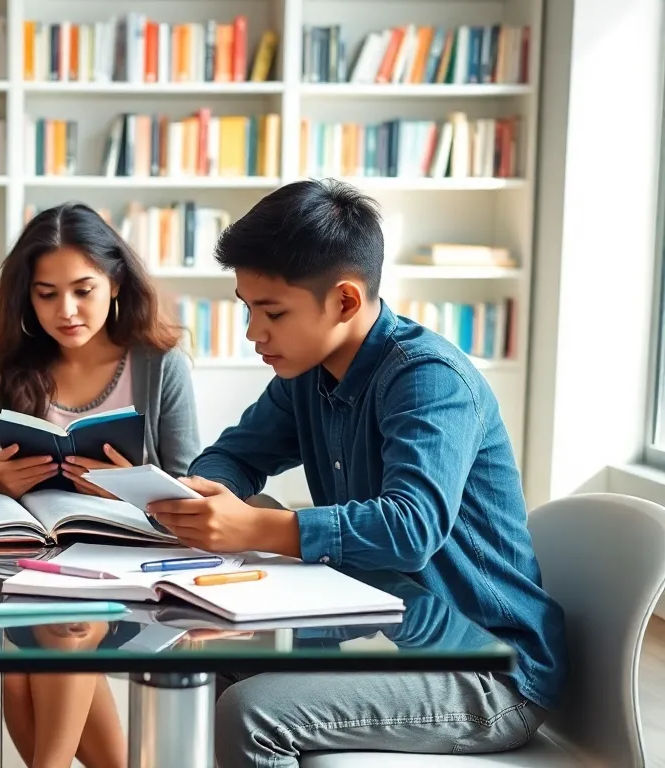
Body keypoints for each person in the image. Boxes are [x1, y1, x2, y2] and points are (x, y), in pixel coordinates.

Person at [146, 179, 568, 766]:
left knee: (250, 711)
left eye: (273, 312)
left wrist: (255, 527)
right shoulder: (308, 376)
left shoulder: (429, 379)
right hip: (389, 633)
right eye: (247, 308)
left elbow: (410, 528)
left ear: (345, 301)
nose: (252, 332)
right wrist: (206, 492)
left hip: (486, 672)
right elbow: (234, 456)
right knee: (204, 654)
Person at [0, 202, 202, 768]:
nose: (67, 310)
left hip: (124, 564)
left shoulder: (158, 364)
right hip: (25, 559)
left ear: (115, 283)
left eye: (83, 290)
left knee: (68, 629)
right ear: (27, 298)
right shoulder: (6, 363)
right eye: (46, 294)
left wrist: (128, 487)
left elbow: (191, 482)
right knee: (25, 661)